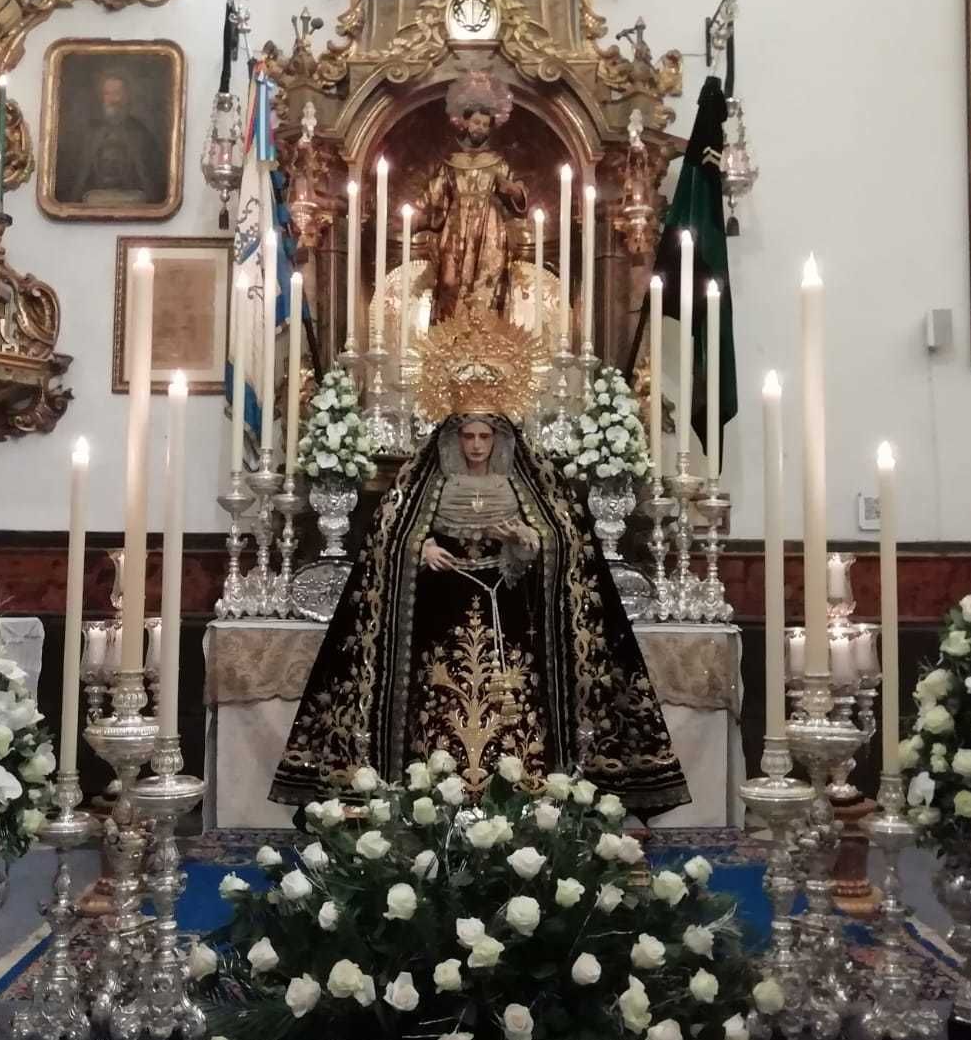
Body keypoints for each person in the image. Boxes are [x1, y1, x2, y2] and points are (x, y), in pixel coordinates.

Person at [272, 311, 689, 811]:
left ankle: (520, 800)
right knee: (438, 713)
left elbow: (565, 545)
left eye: (484, 437)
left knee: (514, 710)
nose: (475, 446)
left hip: (512, 628)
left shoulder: (527, 486)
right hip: (440, 625)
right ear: (452, 437)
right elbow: (385, 541)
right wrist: (416, 549)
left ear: (500, 439)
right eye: (467, 436)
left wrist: (528, 546)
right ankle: (430, 803)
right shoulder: (425, 484)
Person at [410, 71, 530, 323]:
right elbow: (434, 196)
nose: (481, 128)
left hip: (490, 230)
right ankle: (450, 340)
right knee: (450, 282)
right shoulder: (451, 163)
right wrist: (414, 216)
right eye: (476, 123)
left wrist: (513, 190)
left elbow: (517, 192)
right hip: (455, 228)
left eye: (486, 125)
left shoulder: (498, 162)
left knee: (489, 279)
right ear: (464, 122)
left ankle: (488, 340)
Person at [58, 69, 166, 206]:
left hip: (133, 199)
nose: (112, 100)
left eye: (117, 94)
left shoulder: (140, 132)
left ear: (127, 96)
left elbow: (150, 179)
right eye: (107, 94)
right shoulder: (89, 132)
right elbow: (77, 178)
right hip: (92, 200)